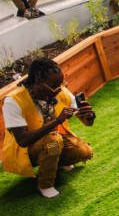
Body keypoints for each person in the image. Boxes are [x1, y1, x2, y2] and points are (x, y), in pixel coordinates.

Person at [1, 58, 95, 198]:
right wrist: (57, 121)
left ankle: (56, 162)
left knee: (84, 152)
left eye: (61, 84)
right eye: (55, 85)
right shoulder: (13, 101)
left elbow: (87, 122)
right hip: (25, 151)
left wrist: (89, 116)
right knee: (53, 141)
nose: (59, 89)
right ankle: (45, 185)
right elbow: (22, 140)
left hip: (54, 141)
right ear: (38, 80)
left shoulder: (59, 91)